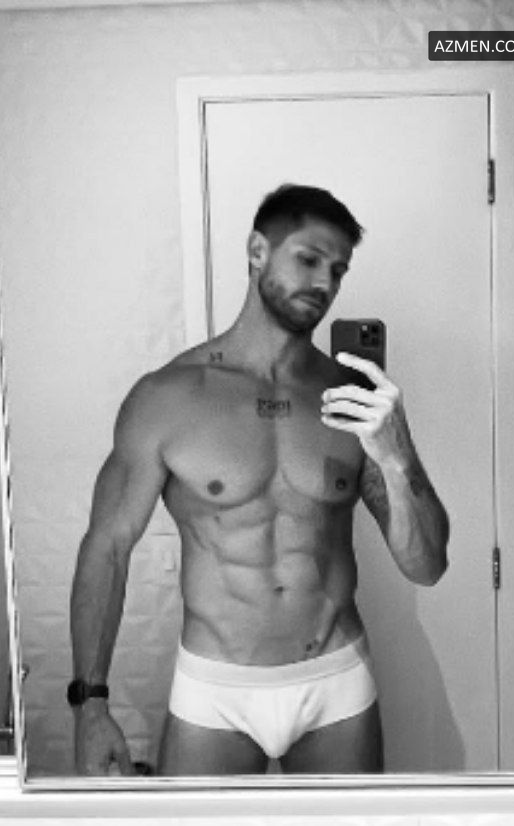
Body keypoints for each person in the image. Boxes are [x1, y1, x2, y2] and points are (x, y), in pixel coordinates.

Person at [69, 183, 449, 777]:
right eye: (308, 259)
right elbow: (107, 548)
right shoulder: (166, 397)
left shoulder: (353, 402)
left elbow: (427, 566)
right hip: (214, 688)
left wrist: (398, 459)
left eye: (338, 270)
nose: (324, 283)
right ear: (256, 252)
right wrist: (90, 706)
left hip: (334, 683)